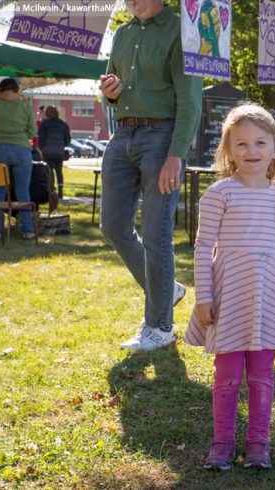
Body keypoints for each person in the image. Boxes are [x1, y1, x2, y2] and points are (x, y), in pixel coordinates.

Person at [184, 103, 275, 471]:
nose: (252, 152)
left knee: (262, 374)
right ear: (229, 151)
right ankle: (222, 443)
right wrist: (204, 296)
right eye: (242, 144)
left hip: (268, 295)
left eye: (260, 143)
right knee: (228, 375)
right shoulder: (220, 193)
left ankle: (258, 444)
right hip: (228, 294)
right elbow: (203, 247)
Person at [98, 0, 202, 351]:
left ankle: (159, 327)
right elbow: (114, 91)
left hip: (162, 138)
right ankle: (166, 291)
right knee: (112, 226)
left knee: (155, 232)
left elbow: (191, 99)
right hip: (122, 135)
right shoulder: (122, 33)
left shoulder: (183, 31)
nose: (131, 0)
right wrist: (110, 93)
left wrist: (177, 154)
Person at [0, 78, 37, 241]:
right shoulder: (25, 105)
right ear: (16, 89)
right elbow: (32, 131)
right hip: (21, 150)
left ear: (0, 89)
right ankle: (27, 230)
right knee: (22, 190)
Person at [38, 105, 71, 199]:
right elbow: (68, 139)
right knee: (59, 171)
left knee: (50, 171)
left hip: (47, 151)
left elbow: (41, 138)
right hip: (59, 151)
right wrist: (62, 145)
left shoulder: (44, 124)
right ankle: (60, 192)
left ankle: (52, 190)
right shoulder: (63, 124)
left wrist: (41, 148)